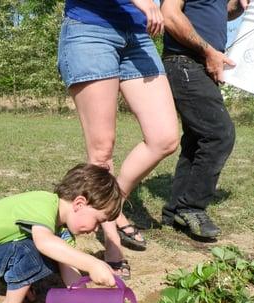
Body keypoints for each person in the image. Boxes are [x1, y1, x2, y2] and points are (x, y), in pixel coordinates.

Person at [57, 0, 180, 278]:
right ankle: (111, 241)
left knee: (165, 138)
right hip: (91, 28)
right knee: (101, 152)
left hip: (137, 34)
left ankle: (112, 204)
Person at [0, 164, 123, 303]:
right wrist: (92, 264)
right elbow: (44, 243)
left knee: (57, 252)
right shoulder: (44, 204)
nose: (96, 229)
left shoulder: (63, 229)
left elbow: (68, 264)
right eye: (98, 221)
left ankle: (18, 281)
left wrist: (82, 301)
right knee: (34, 250)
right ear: (79, 203)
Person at [160, 0, 248, 239]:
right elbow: (169, 15)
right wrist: (208, 51)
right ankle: (192, 207)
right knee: (220, 134)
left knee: (196, 139)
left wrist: (237, 7)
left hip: (201, 64)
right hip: (185, 61)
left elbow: (222, 12)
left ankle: (176, 210)